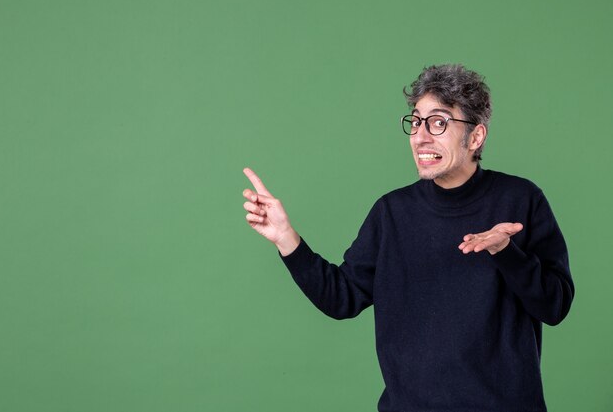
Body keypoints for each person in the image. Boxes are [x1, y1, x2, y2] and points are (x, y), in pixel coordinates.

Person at [241, 64, 574, 412]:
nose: (421, 136)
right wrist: (286, 238)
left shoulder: (521, 200)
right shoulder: (391, 214)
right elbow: (341, 299)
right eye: (416, 122)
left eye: (439, 122)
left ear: (475, 137)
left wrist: (506, 251)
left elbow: (555, 307)